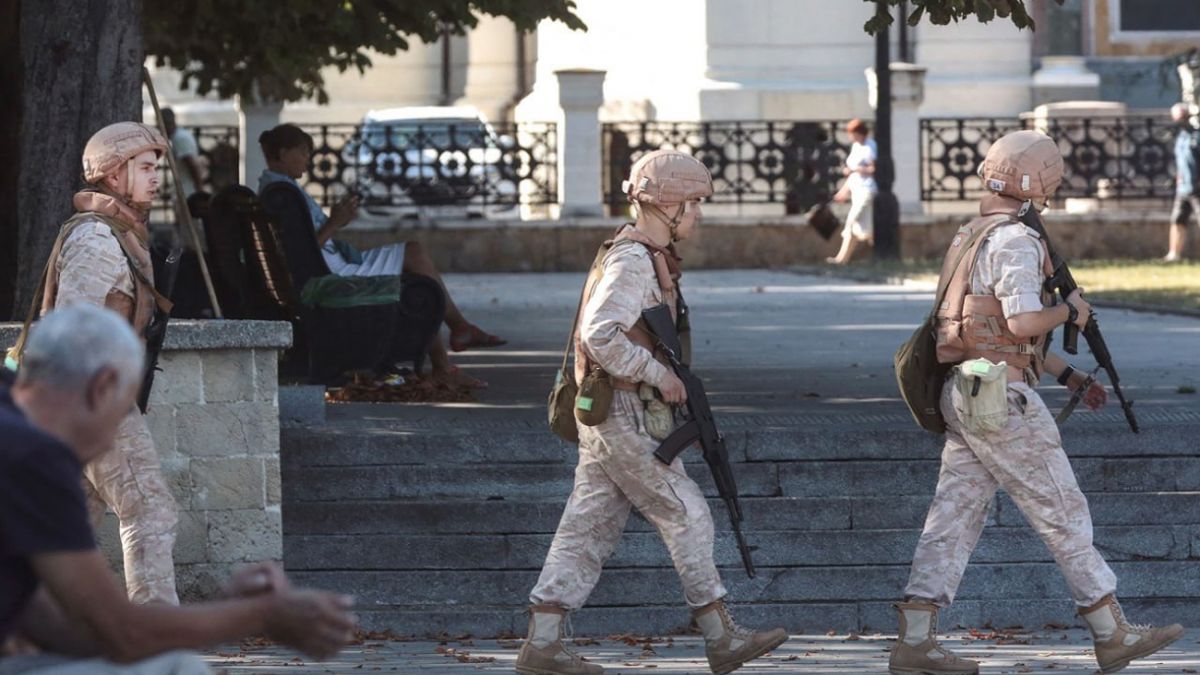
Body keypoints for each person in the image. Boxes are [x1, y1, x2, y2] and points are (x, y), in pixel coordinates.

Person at [890, 130, 1183, 675]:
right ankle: (1110, 630)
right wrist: (1071, 313)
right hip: (1004, 400)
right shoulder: (1017, 241)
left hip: (967, 390)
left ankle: (915, 638)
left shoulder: (971, 234)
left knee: (952, 518)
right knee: (1062, 509)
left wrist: (1068, 375)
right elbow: (1024, 322)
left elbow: (989, 328)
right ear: (1039, 182)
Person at [516, 150, 787, 675]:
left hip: (617, 411)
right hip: (624, 410)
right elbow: (600, 333)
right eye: (696, 204)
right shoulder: (633, 260)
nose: (700, 215)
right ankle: (719, 635)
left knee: (587, 525)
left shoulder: (643, 254)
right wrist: (657, 373)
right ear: (671, 205)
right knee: (685, 511)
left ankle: (543, 642)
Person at [0, 305, 356, 675]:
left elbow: (60, 625)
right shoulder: (33, 455)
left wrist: (223, 609)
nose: (109, 442)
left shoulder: (13, 426)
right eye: (122, 413)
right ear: (101, 387)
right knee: (178, 668)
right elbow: (122, 633)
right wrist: (263, 614)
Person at [25, 121, 180, 604]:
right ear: (114, 176)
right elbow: (73, 332)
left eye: (157, 168)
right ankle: (155, 631)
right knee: (149, 508)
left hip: (86, 400)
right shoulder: (96, 239)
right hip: (88, 399)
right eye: (146, 168)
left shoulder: (116, 232)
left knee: (69, 525)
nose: (156, 178)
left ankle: (36, 631)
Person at [255, 123, 503, 388]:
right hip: (329, 272)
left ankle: (455, 340)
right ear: (282, 153)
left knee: (416, 268)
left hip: (326, 264)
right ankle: (452, 347)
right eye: (303, 153)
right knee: (414, 257)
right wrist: (335, 223)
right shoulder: (283, 194)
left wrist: (337, 221)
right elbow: (302, 256)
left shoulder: (278, 189)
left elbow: (301, 248)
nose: (308, 160)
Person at [827, 118, 876, 265]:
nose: (850, 137)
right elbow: (852, 175)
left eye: (852, 133)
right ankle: (842, 259)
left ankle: (843, 258)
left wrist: (855, 169)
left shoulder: (870, 147)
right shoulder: (856, 147)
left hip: (867, 190)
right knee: (863, 227)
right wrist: (843, 191)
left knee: (852, 221)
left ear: (859, 132)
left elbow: (873, 169)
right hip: (856, 190)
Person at [1165, 103, 1199, 262]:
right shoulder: (1181, 138)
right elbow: (1181, 162)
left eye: (1182, 118)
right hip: (1183, 189)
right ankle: (1174, 254)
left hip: (1197, 187)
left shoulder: (1196, 136)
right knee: (1177, 220)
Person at [161, 108, 206, 199]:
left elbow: (191, 164)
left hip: (187, 193)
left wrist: (200, 189)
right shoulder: (178, 136)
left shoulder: (179, 139)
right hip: (185, 191)